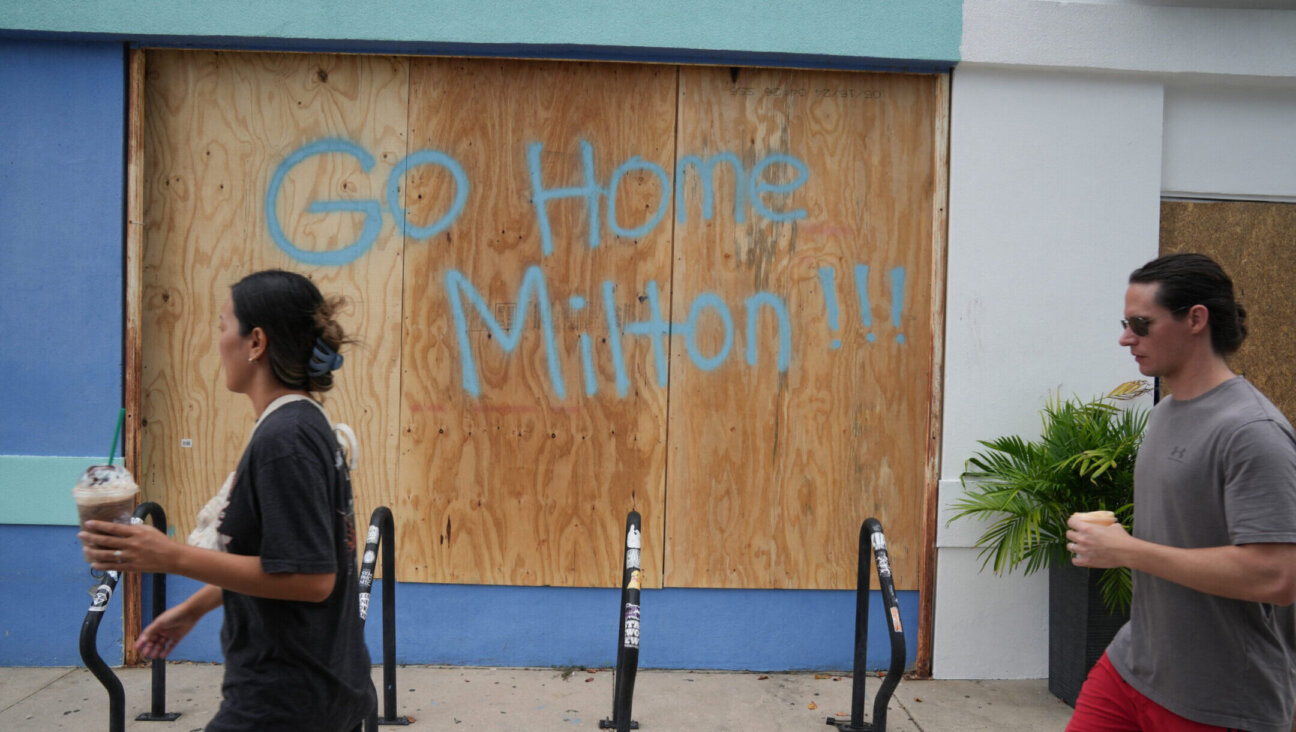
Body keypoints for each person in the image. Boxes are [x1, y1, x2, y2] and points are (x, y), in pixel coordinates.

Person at [79, 270, 375, 731]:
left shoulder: (286, 440)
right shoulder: (301, 424)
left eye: (222, 326)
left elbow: (312, 578)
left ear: (255, 342)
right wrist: (195, 607)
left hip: (284, 701)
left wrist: (171, 555)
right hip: (318, 688)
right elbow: (280, 556)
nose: (218, 341)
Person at [1065, 253, 1296, 732]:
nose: (1126, 338)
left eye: (1141, 324)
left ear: (1196, 319)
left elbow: (1276, 576)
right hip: (1133, 667)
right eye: (1125, 323)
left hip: (1218, 698)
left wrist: (1127, 550)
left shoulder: (1252, 431)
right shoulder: (1165, 412)